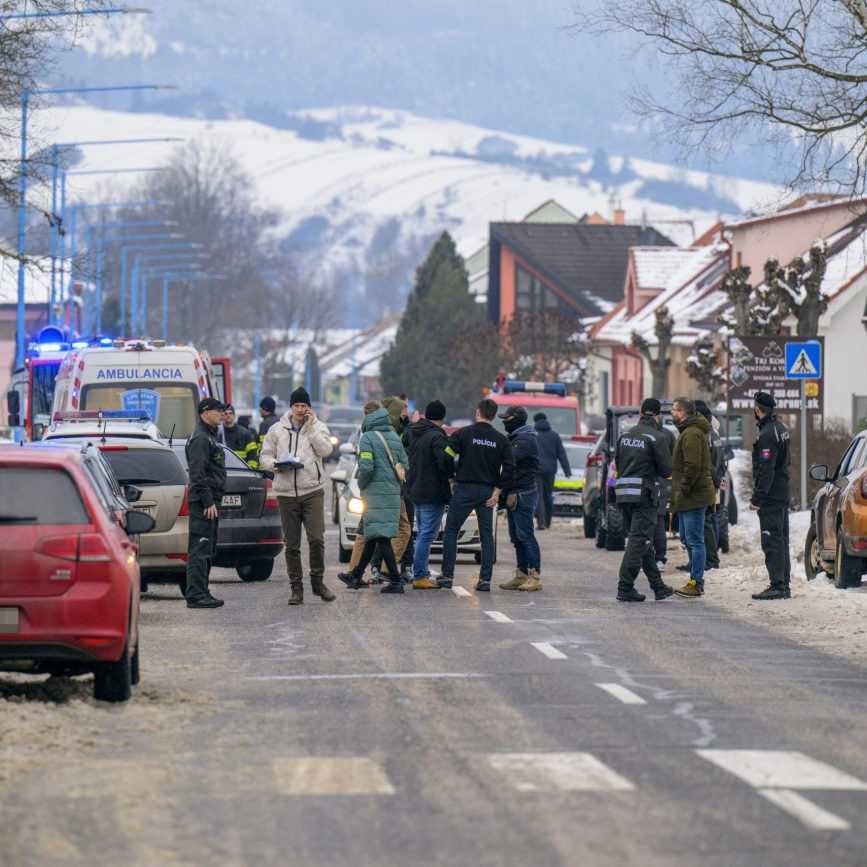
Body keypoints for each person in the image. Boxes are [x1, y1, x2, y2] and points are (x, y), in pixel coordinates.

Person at [259, 387, 336, 605]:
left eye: (304, 406)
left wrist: (311, 430)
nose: (300, 409)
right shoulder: (276, 429)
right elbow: (264, 456)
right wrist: (276, 465)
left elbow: (326, 451)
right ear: (291, 407)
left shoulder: (318, 427)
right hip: (286, 492)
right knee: (291, 544)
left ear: (309, 407)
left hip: (311, 490)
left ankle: (318, 583)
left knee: (316, 539)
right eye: (297, 406)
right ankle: (296, 588)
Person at [438, 398, 514, 592]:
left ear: (478, 412)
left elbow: (447, 455)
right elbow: (509, 468)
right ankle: (485, 580)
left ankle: (447, 576)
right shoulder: (501, 440)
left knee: (451, 531)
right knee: (487, 537)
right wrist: (498, 491)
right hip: (487, 492)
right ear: (494, 415)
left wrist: (450, 478)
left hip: (463, 489)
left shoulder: (463, 434)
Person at [338, 405, 409, 594]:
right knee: (373, 535)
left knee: (381, 537)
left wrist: (361, 484)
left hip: (374, 494)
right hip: (392, 493)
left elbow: (367, 467)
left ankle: (395, 580)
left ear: (368, 418)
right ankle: (356, 575)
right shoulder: (394, 436)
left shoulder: (367, 438)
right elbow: (405, 464)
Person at [613, 398, 675, 602]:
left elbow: (618, 464)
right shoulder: (657, 437)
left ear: (641, 412)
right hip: (644, 496)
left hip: (623, 495)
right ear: (658, 415)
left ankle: (658, 586)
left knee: (643, 541)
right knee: (638, 541)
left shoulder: (625, 436)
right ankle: (625, 586)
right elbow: (666, 471)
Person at [404, 400, 455, 590]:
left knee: (422, 533)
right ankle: (420, 575)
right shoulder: (438, 437)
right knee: (427, 534)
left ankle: (419, 572)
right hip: (432, 492)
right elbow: (446, 461)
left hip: (414, 489)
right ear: (442, 417)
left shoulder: (412, 431)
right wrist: (452, 475)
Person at [670, 397, 716, 598]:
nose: (672, 414)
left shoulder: (691, 434)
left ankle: (696, 582)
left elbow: (693, 466)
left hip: (694, 495)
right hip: (689, 495)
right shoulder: (689, 432)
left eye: (674, 410)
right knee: (687, 537)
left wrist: (683, 489)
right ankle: (694, 579)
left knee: (695, 540)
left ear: (682, 412)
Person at [184, 397, 228, 609]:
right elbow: (197, 474)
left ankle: (202, 591)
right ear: (205, 412)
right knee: (200, 548)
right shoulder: (201, 438)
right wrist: (207, 500)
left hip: (209, 500)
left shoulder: (209, 436)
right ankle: (196, 595)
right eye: (218, 411)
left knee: (207, 547)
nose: (222, 414)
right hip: (203, 502)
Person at [750, 391, 792, 600]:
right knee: (781, 539)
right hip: (781, 492)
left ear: (758, 409)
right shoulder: (780, 428)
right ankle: (784, 583)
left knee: (772, 540)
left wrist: (758, 498)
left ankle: (778, 585)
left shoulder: (767, 434)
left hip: (771, 496)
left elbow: (766, 470)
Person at [498, 406, 543, 592]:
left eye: (506, 419)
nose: (504, 423)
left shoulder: (525, 440)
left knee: (525, 535)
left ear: (516, 419)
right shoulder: (516, 438)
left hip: (523, 493)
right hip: (514, 493)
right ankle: (521, 574)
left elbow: (508, 461)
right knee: (516, 537)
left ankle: (534, 576)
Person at [381, 394, 414, 580]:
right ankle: (384, 569)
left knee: (405, 527)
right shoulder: (385, 432)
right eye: (402, 408)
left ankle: (404, 567)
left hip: (404, 487)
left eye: (406, 408)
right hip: (390, 487)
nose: (405, 412)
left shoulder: (409, 429)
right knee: (390, 529)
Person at [695, 400, 724, 571]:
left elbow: (707, 462)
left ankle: (710, 560)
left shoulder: (706, 434)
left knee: (705, 522)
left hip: (706, 482)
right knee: (709, 520)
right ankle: (706, 559)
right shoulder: (714, 433)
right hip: (712, 481)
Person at [533, 412, 571, 530]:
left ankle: (541, 523)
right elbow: (561, 454)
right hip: (550, 471)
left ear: (535, 422)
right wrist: (567, 471)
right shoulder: (554, 436)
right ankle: (548, 521)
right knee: (548, 495)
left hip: (536, 470)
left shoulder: (533, 435)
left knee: (538, 495)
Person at [653, 414, 676, 571]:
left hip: (652, 483)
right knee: (659, 521)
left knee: (650, 522)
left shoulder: (641, 433)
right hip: (662, 483)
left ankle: (654, 557)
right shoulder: (667, 435)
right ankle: (659, 558)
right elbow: (675, 459)